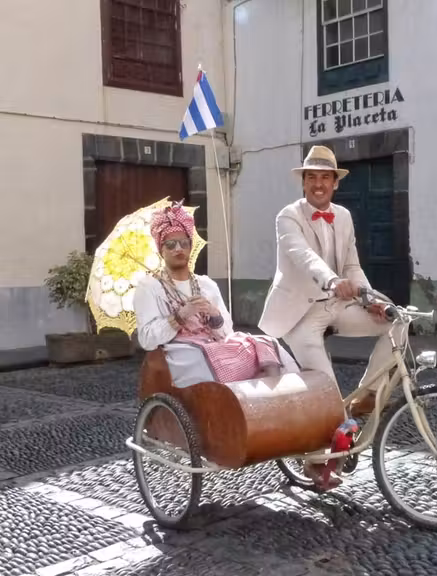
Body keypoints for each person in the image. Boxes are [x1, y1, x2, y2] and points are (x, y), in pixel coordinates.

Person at [259, 145, 406, 417]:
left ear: (335, 183)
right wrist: (332, 280)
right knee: (328, 399)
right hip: (300, 314)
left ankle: (369, 394)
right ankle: (320, 454)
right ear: (303, 182)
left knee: (398, 321)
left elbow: (352, 265)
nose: (318, 184)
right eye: (312, 177)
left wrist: (370, 300)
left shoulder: (344, 216)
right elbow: (303, 256)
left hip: (337, 305)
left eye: (325, 177)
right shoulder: (288, 216)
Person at [134, 201, 299, 388]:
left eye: (184, 243)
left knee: (266, 342)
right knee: (207, 355)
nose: (178, 249)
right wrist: (180, 316)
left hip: (214, 344)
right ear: (161, 250)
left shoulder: (206, 284)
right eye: (171, 244)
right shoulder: (149, 287)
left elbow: (226, 331)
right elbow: (147, 339)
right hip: (181, 352)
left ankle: (274, 393)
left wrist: (213, 313)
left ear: (190, 246)